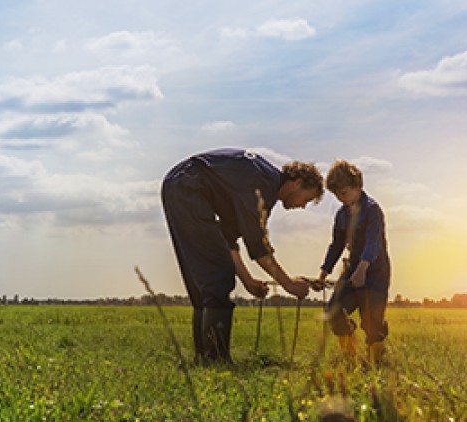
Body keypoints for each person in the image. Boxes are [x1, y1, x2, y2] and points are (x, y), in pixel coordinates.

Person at [162, 148, 324, 364]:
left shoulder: (262, 182)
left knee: (208, 280)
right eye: (307, 198)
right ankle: (215, 360)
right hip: (188, 186)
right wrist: (288, 284)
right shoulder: (263, 186)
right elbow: (258, 247)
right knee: (216, 277)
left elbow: (227, 240)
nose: (303, 205)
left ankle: (204, 358)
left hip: (180, 186)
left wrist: (247, 280)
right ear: (296, 183)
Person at [313, 160, 390, 364]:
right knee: (334, 311)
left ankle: (377, 361)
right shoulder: (341, 215)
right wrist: (323, 273)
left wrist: (363, 268)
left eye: (344, 192)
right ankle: (350, 357)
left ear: (358, 187)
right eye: (337, 194)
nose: (341, 198)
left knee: (371, 320)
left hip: (375, 271)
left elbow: (373, 242)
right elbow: (336, 245)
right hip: (352, 268)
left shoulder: (373, 210)